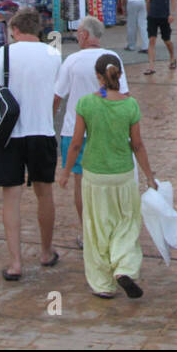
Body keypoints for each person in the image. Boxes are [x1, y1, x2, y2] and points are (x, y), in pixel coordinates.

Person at [59, 54, 155, 299]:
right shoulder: (130, 105)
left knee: (97, 228)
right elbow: (138, 145)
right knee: (126, 224)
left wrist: (66, 172)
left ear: (98, 76)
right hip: (123, 174)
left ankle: (102, 283)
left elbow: (76, 144)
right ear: (120, 75)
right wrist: (149, 176)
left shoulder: (86, 104)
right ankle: (124, 267)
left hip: (95, 175)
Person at [0, 8, 63, 281]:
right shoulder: (54, 55)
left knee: (11, 198)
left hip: (9, 134)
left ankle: (15, 262)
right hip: (41, 130)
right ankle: (45, 250)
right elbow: (58, 94)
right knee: (45, 193)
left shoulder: (4, 54)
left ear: (16, 29)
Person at [53, 17, 128, 234]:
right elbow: (124, 94)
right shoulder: (113, 58)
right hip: (108, 129)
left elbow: (57, 96)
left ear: (84, 35)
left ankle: (88, 232)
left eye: (78, 32)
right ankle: (108, 227)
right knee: (106, 181)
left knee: (81, 183)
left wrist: (50, 121)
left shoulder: (72, 61)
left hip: (74, 130)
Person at [143, 0, 176, 74]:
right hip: (152, 16)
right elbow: (147, 1)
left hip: (164, 16)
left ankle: (172, 57)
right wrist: (148, 13)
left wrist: (172, 14)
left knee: (166, 40)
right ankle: (151, 66)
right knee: (152, 40)